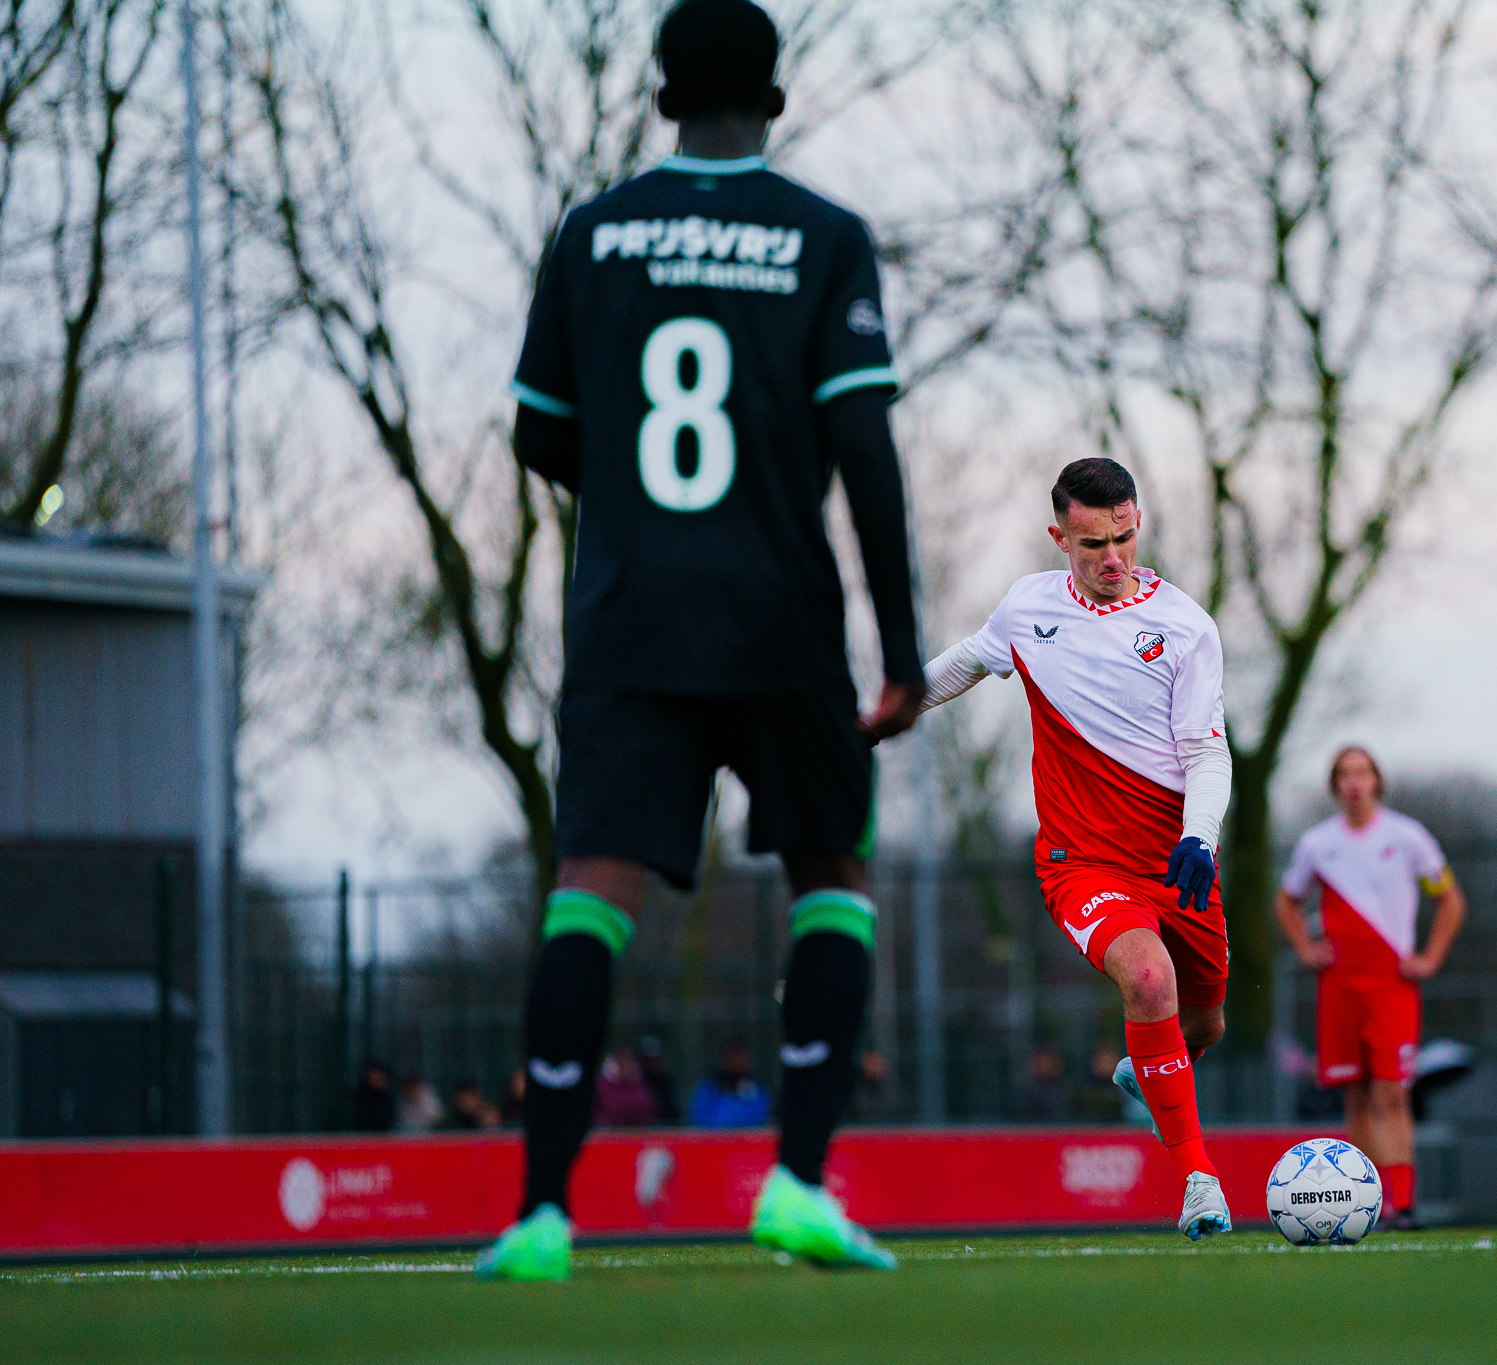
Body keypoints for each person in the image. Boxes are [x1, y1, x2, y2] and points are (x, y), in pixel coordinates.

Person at [474, 0, 925, 1280]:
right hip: (781, 622)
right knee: (832, 881)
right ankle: (793, 1185)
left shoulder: (594, 232)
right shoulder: (823, 238)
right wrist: (898, 646)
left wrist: (627, 504)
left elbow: (538, 432)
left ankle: (542, 1216)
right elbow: (864, 450)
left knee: (589, 895)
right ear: (772, 97)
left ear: (662, 92)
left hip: (627, 622)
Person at [917, 457, 1235, 1240]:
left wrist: (1200, 835)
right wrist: (879, 713)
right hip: (1080, 861)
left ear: (1139, 525)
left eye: (1123, 536)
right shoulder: (1028, 607)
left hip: (1175, 857)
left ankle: (1148, 1064)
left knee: (1204, 1028)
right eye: (1093, 542)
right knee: (1148, 975)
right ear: (1060, 535)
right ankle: (1200, 1178)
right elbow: (965, 662)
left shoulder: (1186, 626)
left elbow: (1207, 752)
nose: (1112, 557)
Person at [1274, 746, 1466, 1231]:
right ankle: (1366, 1200)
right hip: (1338, 986)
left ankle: (1404, 1202)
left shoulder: (1407, 837)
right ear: (1334, 784)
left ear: (1377, 781)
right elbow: (1286, 901)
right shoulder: (1318, 843)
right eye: (1344, 774)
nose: (1354, 782)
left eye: (1362, 772)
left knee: (1392, 1093)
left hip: (1391, 984)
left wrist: (1431, 957)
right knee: (1355, 1096)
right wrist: (1305, 948)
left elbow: (1450, 900)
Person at [689, 1039, 772, 1127]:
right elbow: (699, 1119)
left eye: (740, 1061)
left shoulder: (758, 1090)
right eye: (732, 1059)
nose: (736, 1064)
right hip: (714, 1139)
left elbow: (760, 1119)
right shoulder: (707, 1088)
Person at [593, 1049, 659, 1128]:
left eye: (626, 1061)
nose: (624, 1065)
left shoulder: (638, 1084)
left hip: (635, 1133)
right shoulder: (602, 1083)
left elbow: (645, 1110)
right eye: (621, 1062)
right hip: (606, 1133)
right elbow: (612, 1109)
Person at [637, 1035, 683, 1125]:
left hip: (665, 1130)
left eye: (655, 1059)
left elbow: (675, 1112)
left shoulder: (667, 1082)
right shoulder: (636, 1082)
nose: (652, 1064)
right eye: (648, 1060)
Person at [1019, 1044, 1071, 1122]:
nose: (1045, 1065)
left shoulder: (1062, 1089)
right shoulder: (1028, 1091)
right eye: (1042, 1061)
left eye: (1048, 1061)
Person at [352, 1058, 395, 1133]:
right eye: (375, 1074)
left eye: (381, 1075)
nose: (379, 1078)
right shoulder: (360, 1098)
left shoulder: (387, 1098)